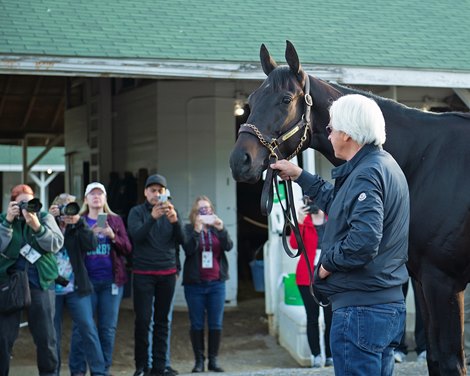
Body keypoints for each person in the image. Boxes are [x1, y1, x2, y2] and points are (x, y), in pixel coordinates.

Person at [271, 94, 409, 375]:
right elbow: (340, 203)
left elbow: (363, 242)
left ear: (347, 133)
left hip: (361, 308)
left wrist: (325, 265)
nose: (328, 133)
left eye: (332, 128)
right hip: (384, 304)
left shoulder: (366, 174)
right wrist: (299, 175)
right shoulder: (383, 165)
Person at [0, 184, 64, 376]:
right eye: (21, 203)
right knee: (3, 338)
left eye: (30, 202)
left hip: (40, 283)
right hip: (10, 284)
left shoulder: (45, 218)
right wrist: (8, 223)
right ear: (12, 203)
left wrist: (36, 226)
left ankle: (49, 373)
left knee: (46, 337)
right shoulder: (4, 220)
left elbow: (56, 244)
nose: (26, 207)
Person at [71, 182, 132, 375]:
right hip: (85, 283)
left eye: (100, 194)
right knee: (82, 328)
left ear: (105, 199)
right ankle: (78, 370)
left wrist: (113, 236)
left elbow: (128, 249)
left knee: (107, 329)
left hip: (110, 282)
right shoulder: (78, 220)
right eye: (92, 194)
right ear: (86, 199)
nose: (96, 197)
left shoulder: (115, 220)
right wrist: (88, 235)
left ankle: (102, 370)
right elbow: (70, 250)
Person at [127, 174, 184, 376]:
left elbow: (183, 242)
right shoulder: (136, 212)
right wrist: (152, 218)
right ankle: (142, 366)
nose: (156, 194)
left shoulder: (172, 212)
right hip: (143, 273)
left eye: (160, 190)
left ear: (165, 193)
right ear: (145, 192)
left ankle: (160, 367)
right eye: (152, 190)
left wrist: (176, 222)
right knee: (143, 321)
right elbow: (136, 237)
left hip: (167, 273)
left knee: (162, 321)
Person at [49, 193, 106, 375]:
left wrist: (79, 223)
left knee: (88, 329)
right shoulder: (47, 225)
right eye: (63, 207)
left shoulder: (77, 226)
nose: (67, 212)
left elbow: (92, 244)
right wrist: (48, 220)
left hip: (76, 287)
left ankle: (99, 372)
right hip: (51, 288)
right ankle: (52, 372)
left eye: (71, 207)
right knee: (53, 335)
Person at [182, 195, 233, 373]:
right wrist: (197, 230)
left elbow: (228, 246)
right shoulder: (188, 229)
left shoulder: (216, 228)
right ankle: (198, 361)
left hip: (216, 283)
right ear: (194, 213)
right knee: (196, 324)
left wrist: (222, 229)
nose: (205, 212)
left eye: (207, 209)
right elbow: (188, 250)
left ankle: (213, 360)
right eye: (200, 210)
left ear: (212, 211)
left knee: (215, 323)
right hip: (195, 284)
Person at [289, 201, 333, 368]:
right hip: (307, 276)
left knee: (331, 318)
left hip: (329, 276)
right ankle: (316, 356)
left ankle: (330, 356)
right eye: (309, 200)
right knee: (312, 318)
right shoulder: (304, 220)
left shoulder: (331, 219)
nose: (313, 203)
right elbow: (294, 245)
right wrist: (299, 222)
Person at [393, 277, 427, 363]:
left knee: (422, 300)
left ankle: (424, 348)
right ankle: (397, 348)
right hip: (399, 264)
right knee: (398, 299)